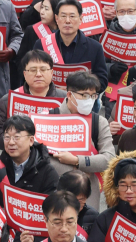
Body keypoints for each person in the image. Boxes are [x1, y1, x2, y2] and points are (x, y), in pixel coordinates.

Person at [48, 70, 114, 209]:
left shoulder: (98, 122)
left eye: (93, 95)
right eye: (84, 95)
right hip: (55, 189)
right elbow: (39, 157)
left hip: (88, 194)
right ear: (69, 95)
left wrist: (77, 161)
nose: (89, 100)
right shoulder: (49, 118)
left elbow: (109, 159)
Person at [0, 52, 66, 151]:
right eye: (33, 70)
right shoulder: (9, 99)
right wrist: (15, 145)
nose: (38, 74)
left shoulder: (65, 99)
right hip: (16, 155)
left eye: (43, 69)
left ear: (51, 73)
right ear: (25, 74)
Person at [51, 0, 108, 89]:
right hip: (52, 99)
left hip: (82, 99)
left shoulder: (94, 47)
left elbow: (102, 81)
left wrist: (77, 89)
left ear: (81, 19)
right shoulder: (43, 44)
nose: (68, 21)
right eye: (63, 16)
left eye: (72, 16)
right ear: (56, 18)